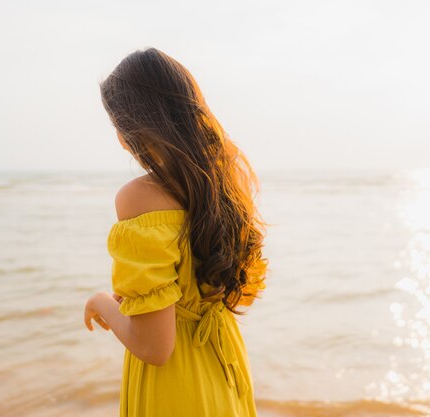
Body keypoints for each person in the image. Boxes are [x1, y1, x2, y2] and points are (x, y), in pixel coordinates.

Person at [83, 47, 268, 417]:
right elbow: (202, 290)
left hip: (176, 387)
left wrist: (101, 302)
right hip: (223, 369)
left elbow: (155, 348)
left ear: (132, 129)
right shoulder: (225, 185)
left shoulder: (140, 197)